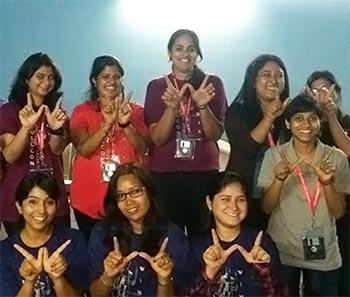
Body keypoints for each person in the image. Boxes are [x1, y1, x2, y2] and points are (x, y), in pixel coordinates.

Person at [258, 94, 350, 296]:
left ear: (321, 122)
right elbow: (266, 207)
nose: (306, 124)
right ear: (288, 124)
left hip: (324, 255)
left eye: (312, 118)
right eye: (298, 118)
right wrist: (279, 179)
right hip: (283, 251)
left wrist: (327, 183)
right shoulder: (274, 156)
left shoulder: (336, 158)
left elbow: (339, 212)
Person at [144, 29, 228, 236]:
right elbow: (157, 138)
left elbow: (214, 135)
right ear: (169, 53)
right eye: (179, 48)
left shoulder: (212, 83)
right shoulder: (157, 86)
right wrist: (171, 108)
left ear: (198, 53)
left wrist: (202, 107)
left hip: (202, 174)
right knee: (168, 241)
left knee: (203, 239)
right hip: (165, 176)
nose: (185, 54)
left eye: (191, 49)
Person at [70, 55, 148, 242]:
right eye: (105, 76)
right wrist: (107, 124)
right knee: (95, 256)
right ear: (94, 80)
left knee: (127, 252)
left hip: (127, 202)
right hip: (88, 202)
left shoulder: (135, 111)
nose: (111, 81)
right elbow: (84, 149)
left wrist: (125, 124)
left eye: (116, 77)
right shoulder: (82, 111)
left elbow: (142, 147)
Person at [88, 163, 188, 297]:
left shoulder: (173, 235)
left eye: (135, 192)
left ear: (149, 192)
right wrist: (108, 276)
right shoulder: (102, 231)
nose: (129, 201)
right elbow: (94, 295)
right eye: (120, 196)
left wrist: (164, 279)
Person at [0, 53, 70, 236]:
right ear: (26, 79)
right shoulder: (9, 111)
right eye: (40, 76)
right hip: (19, 199)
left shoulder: (57, 112)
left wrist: (55, 129)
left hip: (52, 197)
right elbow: (9, 155)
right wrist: (26, 127)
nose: (46, 82)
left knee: (58, 257)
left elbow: (57, 149)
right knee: (21, 259)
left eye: (51, 77)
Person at [186, 171, 286, 296]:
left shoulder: (262, 243)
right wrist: (210, 273)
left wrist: (263, 272)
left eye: (240, 200)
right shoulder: (196, 246)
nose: (234, 207)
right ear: (209, 202)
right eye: (225, 199)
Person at [224, 54, 290, 231]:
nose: (274, 80)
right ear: (253, 82)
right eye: (266, 75)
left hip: (282, 196)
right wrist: (268, 118)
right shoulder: (237, 111)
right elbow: (246, 149)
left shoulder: (289, 114)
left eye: (279, 75)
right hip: (246, 197)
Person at [0, 172, 88, 296]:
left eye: (49, 202)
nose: (41, 210)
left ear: (57, 205)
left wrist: (57, 278)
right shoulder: (4, 251)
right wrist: (29, 282)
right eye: (33, 202)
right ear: (19, 207)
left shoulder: (73, 240)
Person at [305, 70, 350, 296]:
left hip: (344, 206)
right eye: (314, 91)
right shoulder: (307, 125)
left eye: (325, 89)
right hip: (315, 207)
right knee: (319, 277)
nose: (321, 95)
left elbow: (348, 151)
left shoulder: (345, 121)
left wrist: (331, 116)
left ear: (336, 93)